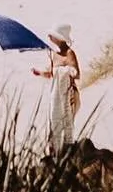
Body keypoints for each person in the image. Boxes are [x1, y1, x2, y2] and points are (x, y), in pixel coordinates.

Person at [33, 23, 80, 153]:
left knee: (67, 123)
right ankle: (57, 151)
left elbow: (77, 74)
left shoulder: (69, 53)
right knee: (54, 123)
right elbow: (51, 74)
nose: (49, 37)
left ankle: (67, 149)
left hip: (68, 94)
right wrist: (40, 73)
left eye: (53, 36)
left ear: (60, 38)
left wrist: (67, 71)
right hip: (56, 93)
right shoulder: (54, 54)